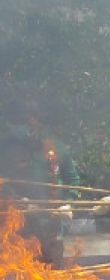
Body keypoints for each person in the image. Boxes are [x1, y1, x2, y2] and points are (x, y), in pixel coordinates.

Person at [0, 97, 81, 266]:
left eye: (29, 120)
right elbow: (4, 181)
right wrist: (18, 200)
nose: (27, 125)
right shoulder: (8, 148)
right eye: (19, 121)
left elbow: (72, 180)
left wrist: (68, 203)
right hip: (21, 227)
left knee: (52, 276)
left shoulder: (58, 148)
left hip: (52, 224)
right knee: (23, 277)